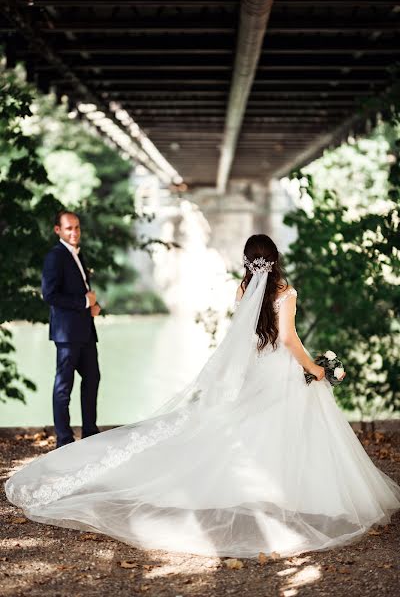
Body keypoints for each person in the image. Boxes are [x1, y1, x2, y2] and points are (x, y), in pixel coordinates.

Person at [5, 234, 400, 559]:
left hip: (257, 370)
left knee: (251, 427)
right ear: (275, 260)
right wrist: (314, 368)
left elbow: (247, 338)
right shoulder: (286, 291)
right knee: (289, 428)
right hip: (278, 369)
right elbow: (288, 338)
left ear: (248, 263)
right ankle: (287, 494)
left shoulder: (243, 288)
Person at [42, 210, 101, 448]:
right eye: (69, 228)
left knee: (93, 378)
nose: (74, 232)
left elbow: (82, 290)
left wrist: (94, 305)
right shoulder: (55, 256)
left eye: (77, 227)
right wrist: (86, 303)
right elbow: (50, 295)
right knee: (64, 386)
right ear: (58, 230)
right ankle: (64, 440)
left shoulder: (77, 253)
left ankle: (89, 432)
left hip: (85, 330)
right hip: (67, 334)